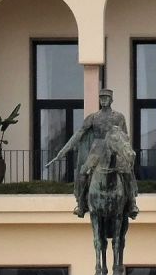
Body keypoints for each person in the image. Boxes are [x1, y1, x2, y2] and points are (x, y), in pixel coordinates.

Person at [47, 87, 139, 220]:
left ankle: (132, 204)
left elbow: (124, 136)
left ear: (111, 100)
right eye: (101, 98)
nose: (103, 100)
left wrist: (125, 152)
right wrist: (63, 151)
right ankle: (82, 203)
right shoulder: (93, 117)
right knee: (83, 172)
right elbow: (79, 134)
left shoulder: (119, 117)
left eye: (106, 98)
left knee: (127, 172)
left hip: (114, 149)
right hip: (97, 150)